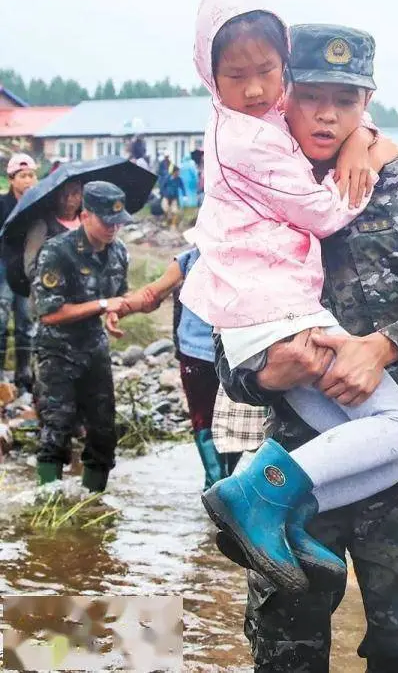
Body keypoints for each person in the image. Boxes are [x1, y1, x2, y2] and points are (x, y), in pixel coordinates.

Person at [211, 17, 398, 670]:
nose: (326, 115)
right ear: (283, 91)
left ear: (368, 102)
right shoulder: (256, 185)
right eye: (312, 95)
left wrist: (389, 345)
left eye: (345, 101)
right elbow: (224, 327)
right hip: (297, 461)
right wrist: (263, 375)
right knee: (285, 648)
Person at [181, 0, 398, 596]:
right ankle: (254, 498)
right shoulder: (255, 138)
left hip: (266, 316)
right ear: (211, 76)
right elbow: (322, 212)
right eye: (238, 76)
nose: (258, 89)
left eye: (347, 102)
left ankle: (281, 515)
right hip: (277, 317)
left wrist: (364, 143)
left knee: (389, 453)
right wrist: (361, 165)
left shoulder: (270, 127)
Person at [114, 241, 244, 489]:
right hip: (198, 354)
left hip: (238, 354)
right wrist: (121, 309)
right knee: (204, 421)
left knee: (234, 426)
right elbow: (153, 293)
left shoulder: (252, 254)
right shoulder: (190, 258)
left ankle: (221, 487)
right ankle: (216, 489)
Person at [31, 181, 131, 491]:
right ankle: (48, 503)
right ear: (85, 215)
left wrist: (112, 314)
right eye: (106, 221)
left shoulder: (118, 253)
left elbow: (116, 296)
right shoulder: (57, 252)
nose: (114, 228)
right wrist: (102, 305)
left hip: (94, 349)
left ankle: (93, 502)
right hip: (57, 351)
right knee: (56, 428)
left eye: (118, 221)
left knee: (103, 432)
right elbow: (48, 313)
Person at [0, 153, 38, 392]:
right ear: (12, 179)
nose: (27, 181)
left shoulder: (39, 205)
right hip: (3, 268)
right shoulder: (2, 204)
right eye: (22, 176)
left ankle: (23, 374)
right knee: (1, 320)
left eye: (31, 175)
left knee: (26, 321)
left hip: (26, 270)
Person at [23, 180, 83, 282]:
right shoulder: (42, 225)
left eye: (75, 193)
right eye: (63, 194)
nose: (69, 199)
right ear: (55, 196)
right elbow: (31, 268)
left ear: (82, 196)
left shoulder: (87, 223)